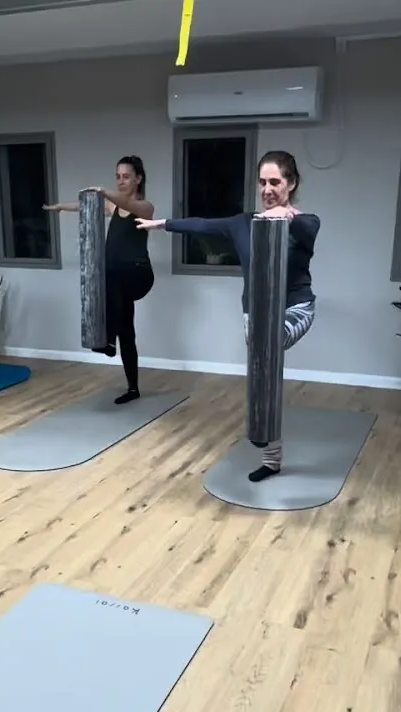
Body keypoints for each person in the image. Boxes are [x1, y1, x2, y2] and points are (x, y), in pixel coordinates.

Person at [137, 150, 320, 482]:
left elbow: (307, 229)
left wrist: (286, 217)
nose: (267, 189)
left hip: (296, 309)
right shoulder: (242, 223)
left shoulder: (305, 222)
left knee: (267, 349)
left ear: (291, 183)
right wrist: (161, 224)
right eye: (262, 182)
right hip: (256, 313)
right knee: (265, 369)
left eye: (275, 182)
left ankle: (263, 434)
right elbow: (202, 224)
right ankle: (271, 460)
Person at [44, 156, 155, 405]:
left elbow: (126, 202)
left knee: (109, 275)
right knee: (127, 331)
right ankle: (133, 388)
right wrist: (61, 206)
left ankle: (107, 340)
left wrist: (104, 191)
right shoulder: (114, 207)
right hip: (118, 280)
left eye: (126, 177)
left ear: (138, 179)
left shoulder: (145, 208)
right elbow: (85, 206)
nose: (121, 181)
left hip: (139, 275)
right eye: (118, 177)